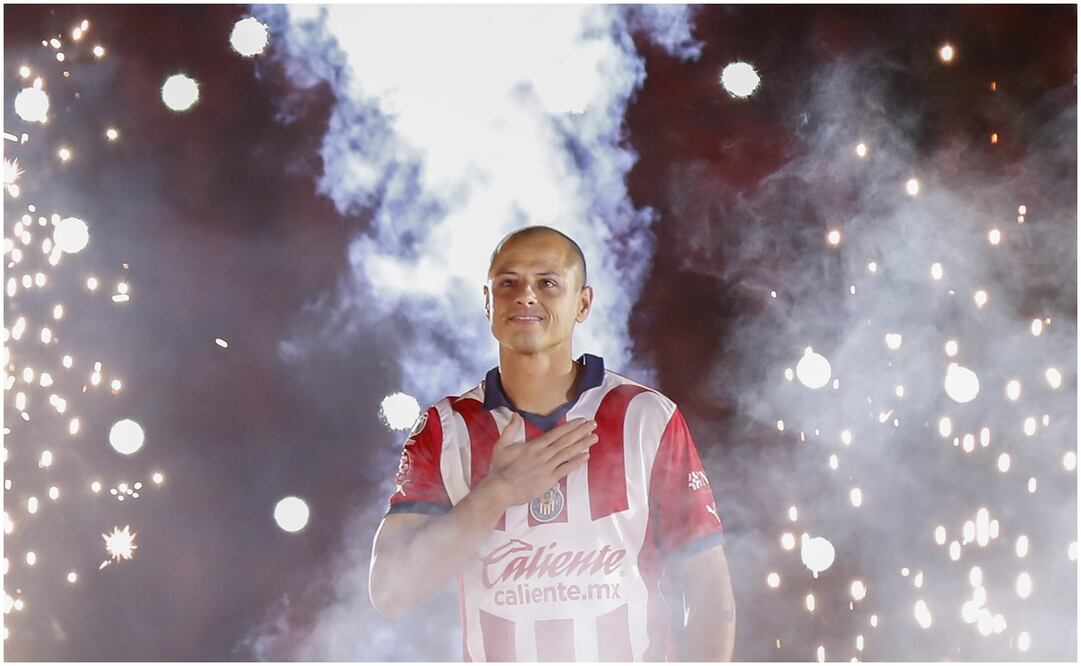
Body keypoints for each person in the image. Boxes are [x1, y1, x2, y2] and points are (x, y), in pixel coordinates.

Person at [369, 226, 735, 661]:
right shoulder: (444, 428)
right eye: (508, 283)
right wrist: (498, 491)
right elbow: (391, 592)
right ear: (487, 301)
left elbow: (710, 591)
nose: (525, 295)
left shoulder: (646, 417)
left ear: (583, 303)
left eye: (547, 283)